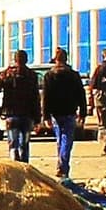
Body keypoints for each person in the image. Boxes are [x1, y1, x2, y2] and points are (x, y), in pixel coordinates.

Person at [0, 49, 43, 165]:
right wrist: (38, 118)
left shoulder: (7, 74)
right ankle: (24, 167)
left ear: (15, 59)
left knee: (13, 144)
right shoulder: (31, 75)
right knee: (25, 144)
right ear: (26, 60)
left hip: (11, 114)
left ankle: (15, 165)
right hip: (27, 115)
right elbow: (36, 97)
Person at [42, 50, 88, 180]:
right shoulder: (73, 75)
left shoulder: (49, 76)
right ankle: (63, 165)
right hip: (69, 111)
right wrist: (83, 113)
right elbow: (81, 94)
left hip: (56, 113)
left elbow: (46, 97)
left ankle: (61, 165)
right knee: (67, 140)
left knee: (60, 140)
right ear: (66, 59)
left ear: (56, 60)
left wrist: (46, 116)